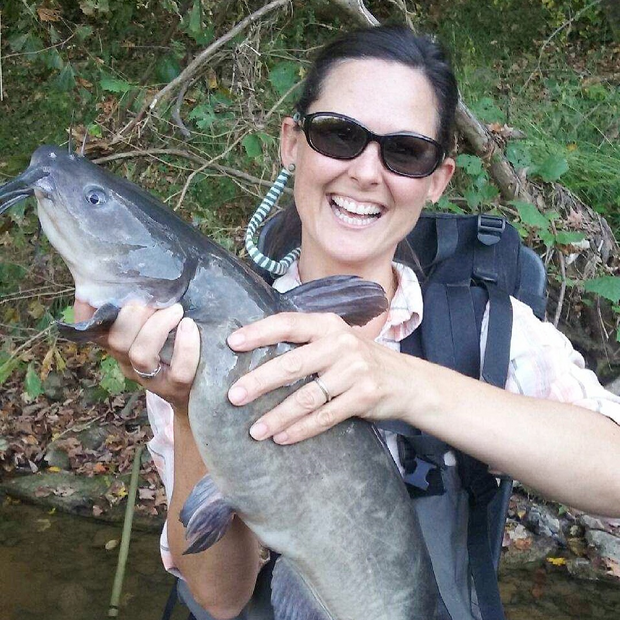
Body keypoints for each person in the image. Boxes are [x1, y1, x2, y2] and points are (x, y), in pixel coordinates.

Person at [75, 25, 620, 620]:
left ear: (437, 179)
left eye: (405, 151)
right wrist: (185, 409)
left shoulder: (486, 329)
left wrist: (401, 381)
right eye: (339, 135)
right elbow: (218, 596)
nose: (365, 171)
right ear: (291, 143)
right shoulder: (200, 335)